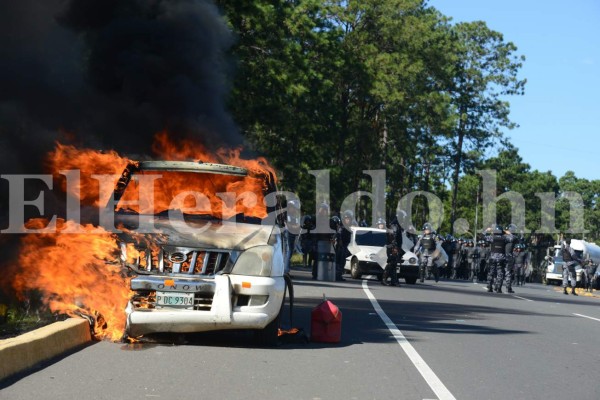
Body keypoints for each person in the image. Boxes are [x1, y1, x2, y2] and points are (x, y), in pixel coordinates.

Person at [485, 224, 512, 293]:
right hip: (501, 258)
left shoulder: (492, 237)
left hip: (493, 257)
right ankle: (499, 288)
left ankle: (489, 287)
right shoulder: (505, 238)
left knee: (491, 272)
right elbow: (514, 239)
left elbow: (483, 237)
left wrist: (487, 230)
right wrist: (507, 233)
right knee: (500, 273)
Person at [382, 217, 402, 286]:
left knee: (394, 264)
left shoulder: (396, 226)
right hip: (392, 248)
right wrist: (395, 247)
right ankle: (384, 279)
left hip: (394, 248)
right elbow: (393, 238)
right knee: (391, 263)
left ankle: (394, 280)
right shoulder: (394, 226)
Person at [284, 200, 302, 275]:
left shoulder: (294, 216)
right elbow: (288, 225)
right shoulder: (288, 215)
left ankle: (286, 269)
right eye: (293, 208)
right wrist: (296, 227)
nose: (294, 209)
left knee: (290, 251)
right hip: (288, 233)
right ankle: (286, 270)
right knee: (289, 251)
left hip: (293, 234)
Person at [502, 224, 517, 293]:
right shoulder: (512, 237)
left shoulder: (502, 237)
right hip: (508, 257)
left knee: (500, 272)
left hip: (501, 256)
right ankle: (508, 287)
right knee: (508, 273)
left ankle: (497, 286)